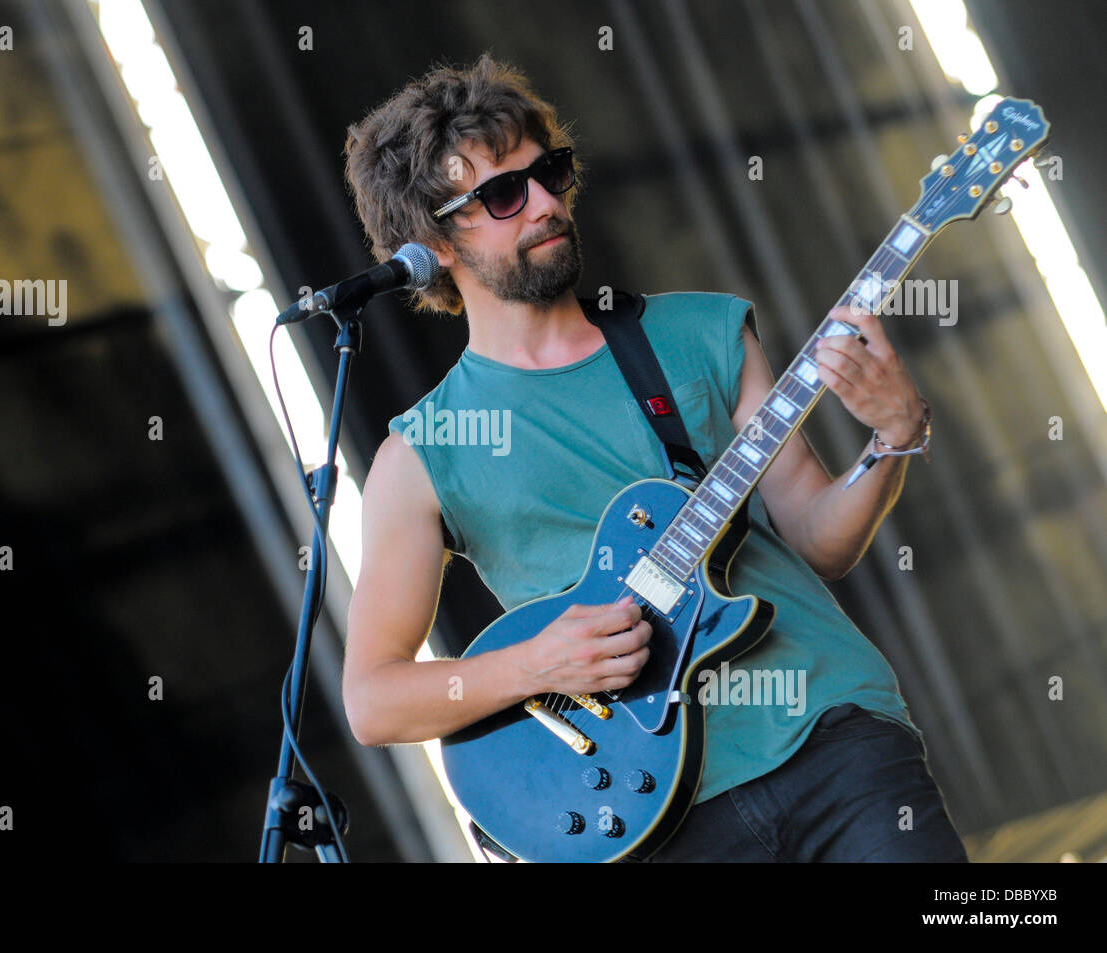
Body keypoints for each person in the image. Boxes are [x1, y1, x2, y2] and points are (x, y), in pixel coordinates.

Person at [340, 54, 968, 862]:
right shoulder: (421, 454)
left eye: (550, 172)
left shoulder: (701, 332)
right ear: (431, 243)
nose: (544, 203)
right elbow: (374, 698)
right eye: (502, 194)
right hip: (643, 814)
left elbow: (818, 538)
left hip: (831, 735)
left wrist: (893, 437)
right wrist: (537, 662)